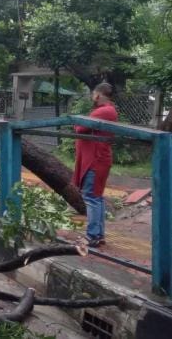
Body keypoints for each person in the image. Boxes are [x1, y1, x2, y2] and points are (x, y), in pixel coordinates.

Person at [73, 83, 118, 247]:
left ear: (98, 95)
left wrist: (77, 123)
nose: (93, 97)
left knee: (91, 197)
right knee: (96, 197)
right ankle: (98, 235)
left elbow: (80, 127)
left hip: (95, 160)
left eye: (93, 94)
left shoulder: (103, 111)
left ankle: (92, 236)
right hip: (98, 159)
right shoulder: (108, 110)